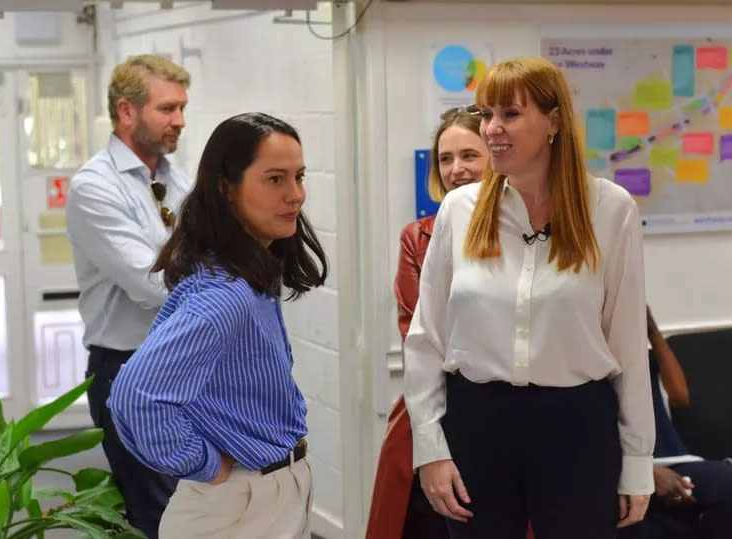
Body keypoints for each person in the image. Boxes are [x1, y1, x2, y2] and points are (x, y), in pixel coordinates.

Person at [402, 56, 655, 539]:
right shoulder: (460, 208)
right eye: (485, 114)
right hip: (479, 423)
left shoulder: (611, 209)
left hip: (578, 426)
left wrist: (638, 459)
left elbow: (627, 345)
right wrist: (430, 448)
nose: (492, 129)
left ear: (554, 121)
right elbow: (426, 338)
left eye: (510, 115)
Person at [108, 112, 327, 539]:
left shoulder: (250, 274)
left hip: (269, 494)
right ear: (228, 188)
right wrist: (204, 464)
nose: (296, 195)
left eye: (299, 177)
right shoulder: (226, 296)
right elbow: (136, 398)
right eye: (275, 179)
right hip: (240, 507)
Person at [65, 54, 191, 538]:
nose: (179, 120)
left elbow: (215, 257)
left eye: (182, 108)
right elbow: (150, 285)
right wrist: (218, 278)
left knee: (196, 510)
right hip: (129, 370)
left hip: (183, 365)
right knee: (162, 518)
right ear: (126, 111)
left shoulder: (177, 179)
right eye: (167, 109)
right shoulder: (95, 186)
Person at [366, 106, 488, 539]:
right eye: (446, 159)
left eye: (469, 155)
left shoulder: (534, 230)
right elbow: (424, 338)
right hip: (435, 407)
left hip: (508, 416)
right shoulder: (419, 237)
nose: (457, 170)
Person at [617, 307, 732, 539]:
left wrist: (652, 330)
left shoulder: (640, 356)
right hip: (622, 468)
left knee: (731, 485)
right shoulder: (589, 365)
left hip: (674, 460)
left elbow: (680, 397)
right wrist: (645, 472)